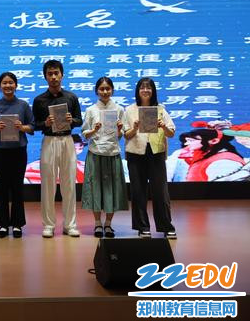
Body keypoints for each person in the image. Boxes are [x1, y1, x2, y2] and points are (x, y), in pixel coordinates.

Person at [32, 60, 82, 238]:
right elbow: (34, 125)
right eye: (50, 74)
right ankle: (48, 225)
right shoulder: (39, 100)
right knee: (48, 185)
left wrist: (71, 120)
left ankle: (70, 224)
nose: (53, 77)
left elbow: (79, 120)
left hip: (67, 140)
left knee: (69, 184)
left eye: (56, 73)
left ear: (62, 75)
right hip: (49, 141)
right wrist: (44, 123)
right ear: (45, 76)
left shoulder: (71, 97)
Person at [123, 77, 177, 239]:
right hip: (136, 154)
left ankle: (166, 226)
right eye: (142, 87)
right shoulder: (129, 110)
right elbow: (126, 135)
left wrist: (163, 126)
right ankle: (142, 227)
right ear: (137, 91)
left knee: (160, 192)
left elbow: (171, 133)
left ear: (153, 91)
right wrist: (135, 128)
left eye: (149, 88)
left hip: (156, 153)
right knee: (138, 192)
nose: (145, 90)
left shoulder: (160, 109)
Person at [0, 72, 34, 238]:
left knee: (17, 188)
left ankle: (18, 224)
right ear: (0, 86)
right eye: (4, 83)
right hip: (0, 151)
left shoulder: (23, 105)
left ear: (16, 85)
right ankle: (3, 224)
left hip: (18, 151)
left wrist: (22, 127)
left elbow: (32, 127)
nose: (8, 86)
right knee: (2, 188)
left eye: (11, 82)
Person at [81, 77, 128, 238]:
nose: (105, 91)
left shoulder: (119, 109)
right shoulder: (91, 110)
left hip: (112, 153)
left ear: (112, 90)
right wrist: (94, 130)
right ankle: (97, 223)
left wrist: (120, 129)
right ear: (97, 91)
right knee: (95, 189)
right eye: (102, 89)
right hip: (95, 153)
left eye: (108, 88)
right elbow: (85, 134)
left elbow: (120, 136)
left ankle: (108, 224)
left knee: (111, 190)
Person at [177, 121, 245, 182]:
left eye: (191, 140)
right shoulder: (205, 156)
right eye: (187, 140)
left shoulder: (224, 162)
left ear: (214, 141)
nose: (186, 144)